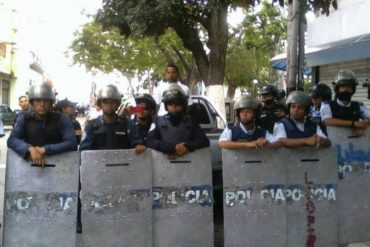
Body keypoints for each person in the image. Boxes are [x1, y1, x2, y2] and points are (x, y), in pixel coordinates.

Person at [7, 82, 78, 166]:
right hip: (29, 167)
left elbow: (72, 143)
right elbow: (12, 140)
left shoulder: (62, 119)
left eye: (46, 101)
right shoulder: (24, 118)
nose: (42, 104)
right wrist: (30, 149)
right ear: (32, 102)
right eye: (38, 100)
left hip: (58, 167)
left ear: (51, 103)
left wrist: (44, 149)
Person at [146, 84, 209, 160]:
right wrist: (173, 148)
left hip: (188, 165)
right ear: (166, 105)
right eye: (170, 103)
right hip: (163, 165)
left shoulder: (191, 121)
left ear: (183, 104)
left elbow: (204, 141)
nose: (174, 106)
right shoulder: (158, 121)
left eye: (177, 102)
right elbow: (150, 141)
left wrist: (186, 147)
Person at [79, 84, 144, 153]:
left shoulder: (128, 124)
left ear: (118, 104)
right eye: (105, 102)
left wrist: (139, 146)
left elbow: (137, 143)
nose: (109, 105)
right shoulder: (90, 126)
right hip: (98, 163)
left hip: (124, 162)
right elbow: (84, 151)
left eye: (113, 101)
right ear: (100, 104)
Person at [320, 69, 370, 136]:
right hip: (332, 143)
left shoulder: (358, 105)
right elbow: (327, 120)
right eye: (343, 86)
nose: (346, 89)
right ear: (337, 89)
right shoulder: (327, 104)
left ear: (353, 90)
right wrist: (354, 123)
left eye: (349, 87)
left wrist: (364, 124)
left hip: (354, 143)